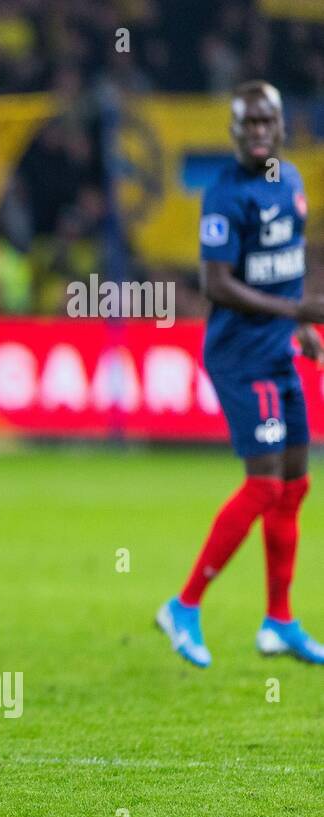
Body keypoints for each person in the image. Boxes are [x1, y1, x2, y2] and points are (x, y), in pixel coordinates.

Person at [157, 81, 324, 666]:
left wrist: (298, 326)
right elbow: (217, 284)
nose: (257, 132)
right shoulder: (225, 195)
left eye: (265, 122)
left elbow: (285, 263)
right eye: (246, 124)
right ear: (233, 132)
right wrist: (295, 312)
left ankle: (278, 621)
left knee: (296, 485)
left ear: (281, 127)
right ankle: (184, 605)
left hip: (279, 349)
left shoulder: (293, 181)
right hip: (240, 357)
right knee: (264, 485)